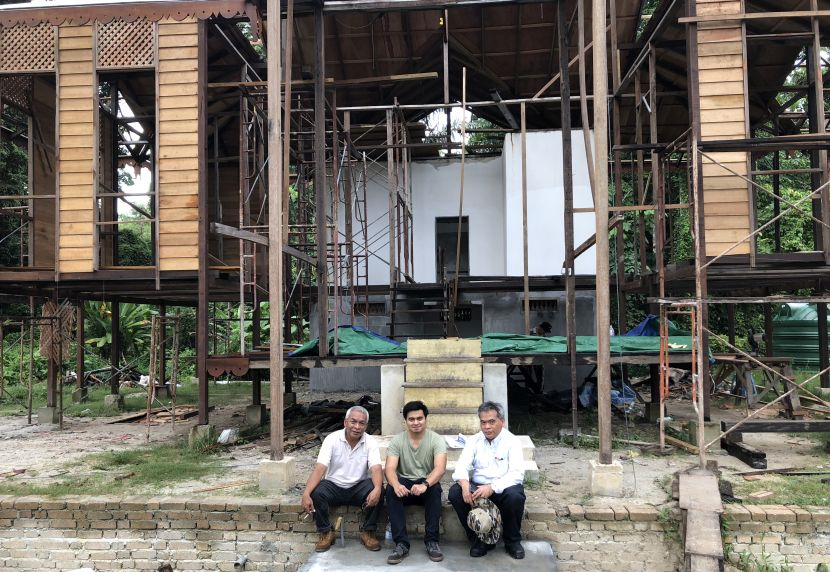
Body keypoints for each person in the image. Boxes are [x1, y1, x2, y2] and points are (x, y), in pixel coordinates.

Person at [448, 401, 526, 560]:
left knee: (515, 496)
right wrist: (465, 485)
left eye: (492, 422)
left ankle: (512, 541)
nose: (487, 427)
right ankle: (480, 539)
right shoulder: (474, 441)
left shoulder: (512, 441)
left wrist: (492, 487)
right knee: (455, 493)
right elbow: (461, 467)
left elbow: (517, 474)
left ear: (502, 421)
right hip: (478, 489)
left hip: (503, 487)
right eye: (483, 422)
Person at [301, 405, 384, 553]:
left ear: (366, 426)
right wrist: (306, 493)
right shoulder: (332, 439)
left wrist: (377, 488)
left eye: (361, 423)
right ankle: (326, 532)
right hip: (334, 486)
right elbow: (320, 468)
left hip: (358, 487)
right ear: (345, 422)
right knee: (317, 491)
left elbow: (376, 468)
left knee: (378, 489)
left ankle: (368, 531)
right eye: (353, 422)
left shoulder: (370, 441)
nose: (357, 426)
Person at [384, 400, 448, 565]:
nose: (416, 422)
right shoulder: (397, 441)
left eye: (419, 418)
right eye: (411, 419)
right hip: (404, 486)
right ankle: (401, 544)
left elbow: (440, 468)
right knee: (390, 489)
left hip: (424, 485)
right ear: (405, 421)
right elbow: (389, 468)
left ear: (426, 419)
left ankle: (432, 541)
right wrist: (396, 485)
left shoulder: (436, 440)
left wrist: (425, 484)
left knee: (435, 489)